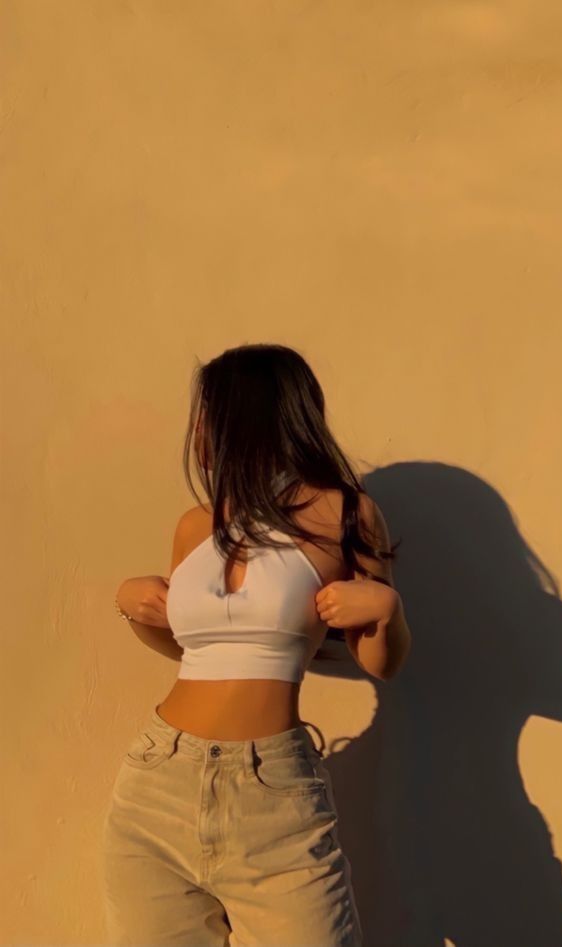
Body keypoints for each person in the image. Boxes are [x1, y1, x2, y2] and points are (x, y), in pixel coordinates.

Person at [101, 343, 412, 946]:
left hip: (274, 792)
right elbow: (194, 653)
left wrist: (386, 609)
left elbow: (384, 663)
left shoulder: (346, 515)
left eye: (207, 415)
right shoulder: (198, 524)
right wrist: (133, 608)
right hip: (156, 783)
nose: (197, 432)